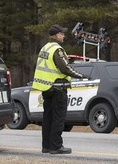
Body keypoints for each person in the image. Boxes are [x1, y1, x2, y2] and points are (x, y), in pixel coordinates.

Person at [32, 24, 88, 154]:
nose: (64, 36)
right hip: (58, 88)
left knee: (48, 118)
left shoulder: (44, 48)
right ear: (57, 36)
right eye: (62, 33)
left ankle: (46, 146)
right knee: (58, 118)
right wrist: (81, 76)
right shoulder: (57, 49)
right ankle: (56, 146)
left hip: (46, 88)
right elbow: (65, 68)